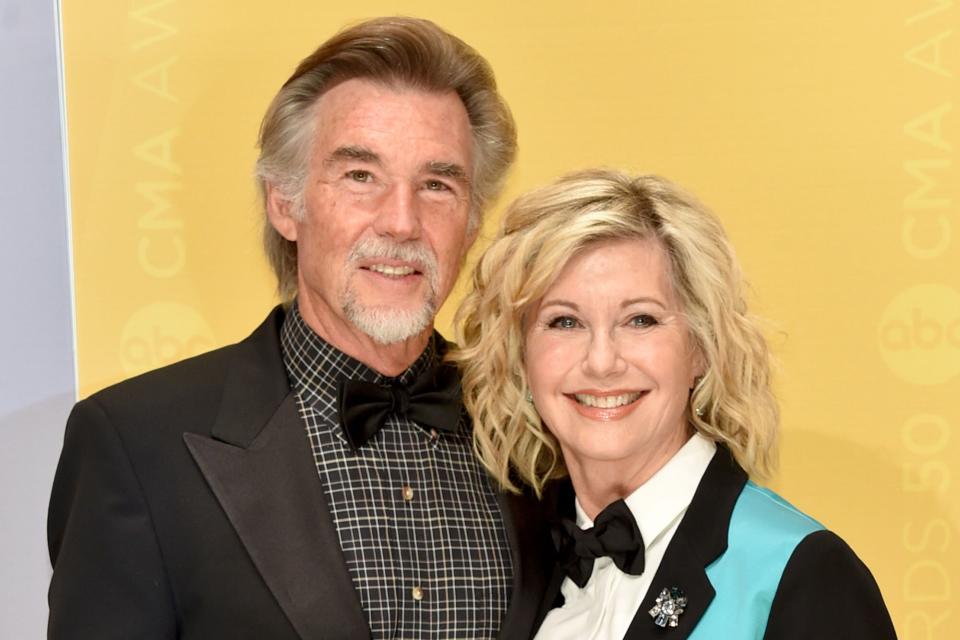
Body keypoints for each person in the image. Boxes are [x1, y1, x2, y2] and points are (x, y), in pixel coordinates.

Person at [47, 17, 553, 640]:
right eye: (360, 175)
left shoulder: (537, 427)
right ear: (285, 203)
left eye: (437, 184)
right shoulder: (135, 445)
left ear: (472, 223)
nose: (401, 222)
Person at [452, 169, 897, 639]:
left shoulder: (800, 572)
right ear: (521, 355)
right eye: (564, 322)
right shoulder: (516, 565)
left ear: (700, 348)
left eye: (640, 319)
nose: (602, 361)